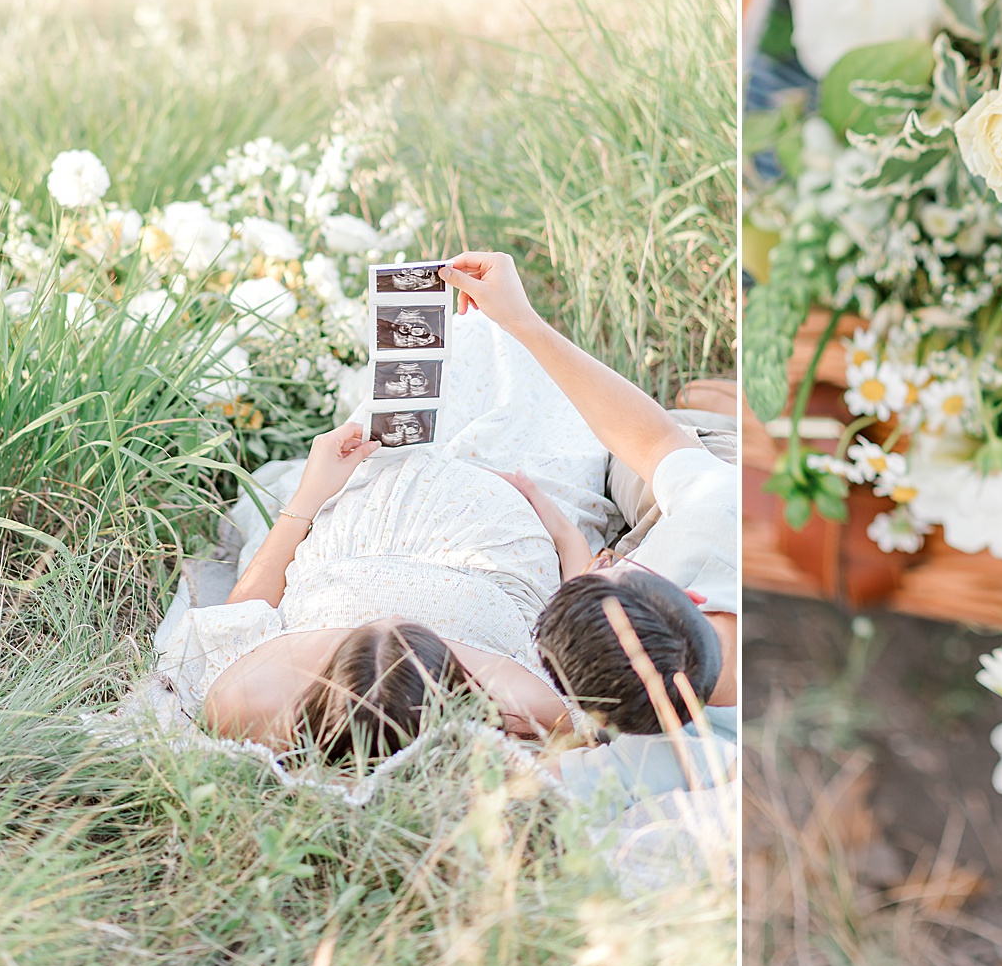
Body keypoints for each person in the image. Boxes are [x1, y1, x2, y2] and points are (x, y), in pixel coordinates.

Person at [155, 298, 624, 761]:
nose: (393, 617)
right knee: (515, 359)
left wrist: (309, 494)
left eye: (358, 638)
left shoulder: (247, 702)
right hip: (507, 514)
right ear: (458, 694)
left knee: (444, 354)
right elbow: (582, 617)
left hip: (371, 502)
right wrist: (561, 529)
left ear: (327, 683)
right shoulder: (530, 708)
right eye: (421, 637)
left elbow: (240, 615)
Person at [443, 251, 738, 796]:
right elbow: (656, 442)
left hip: (714, 492)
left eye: (609, 561)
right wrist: (520, 320)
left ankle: (721, 411)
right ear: (689, 598)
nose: (604, 559)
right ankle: (722, 413)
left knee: (634, 455)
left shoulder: (663, 759)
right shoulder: (720, 516)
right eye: (612, 566)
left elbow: (510, 784)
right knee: (643, 450)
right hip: (728, 485)